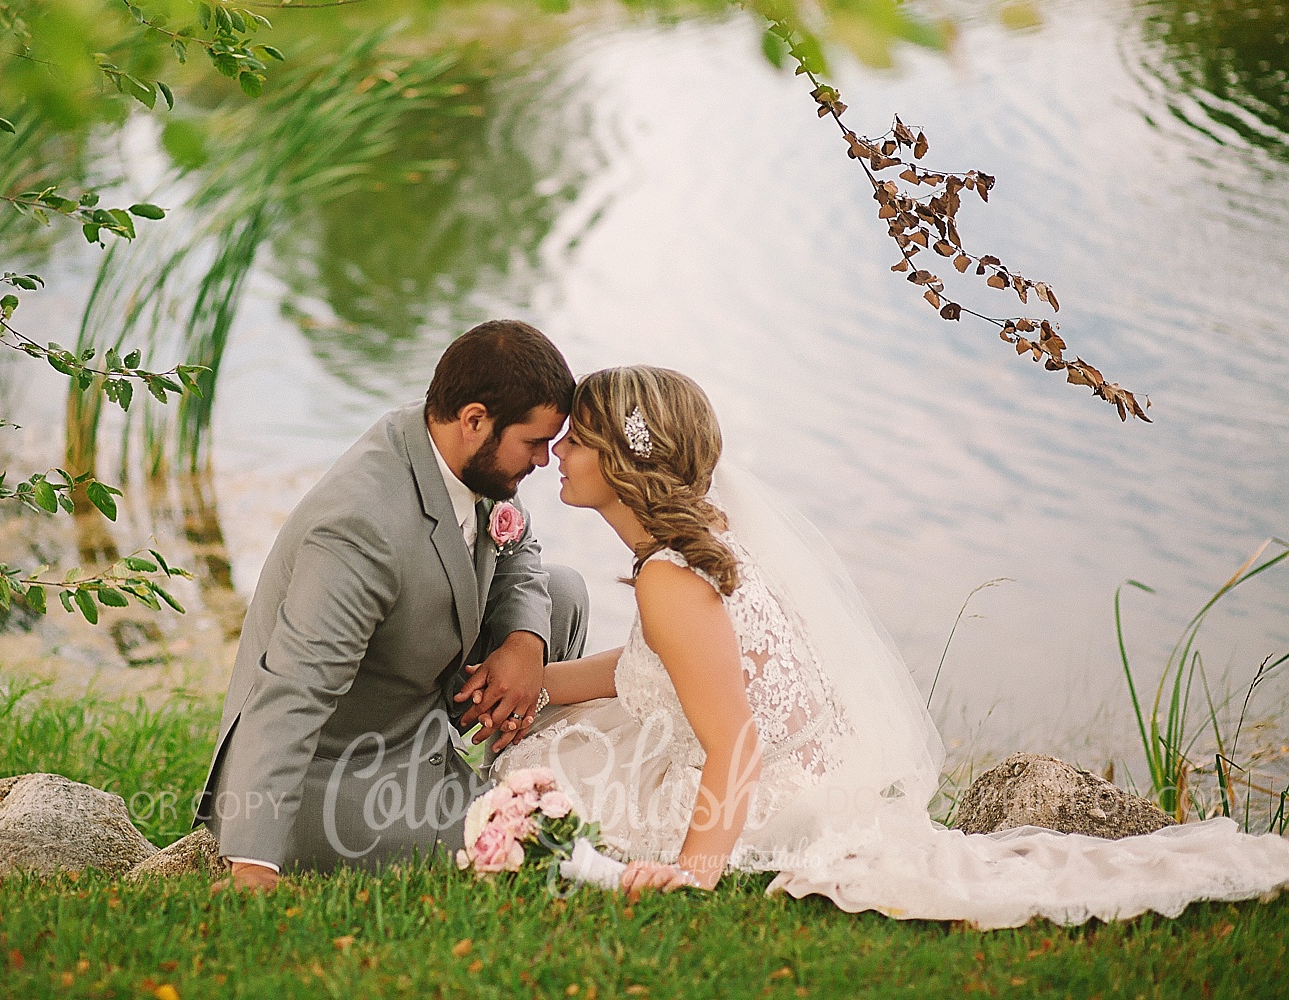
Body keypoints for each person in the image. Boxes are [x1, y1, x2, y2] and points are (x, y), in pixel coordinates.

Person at [493, 365, 1289, 928]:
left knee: (546, 775)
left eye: (578, 440)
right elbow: (667, 666)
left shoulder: (672, 579)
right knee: (558, 737)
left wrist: (694, 873)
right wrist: (539, 683)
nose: (558, 451)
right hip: (802, 768)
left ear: (627, 461)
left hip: (755, 790)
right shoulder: (699, 541)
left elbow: (731, 740)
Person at [196, 320, 590, 891]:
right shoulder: (360, 528)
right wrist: (255, 864)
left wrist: (524, 643)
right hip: (343, 771)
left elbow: (519, 546)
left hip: (424, 695)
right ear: (475, 419)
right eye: (534, 443)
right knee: (535, 838)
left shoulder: (452, 446)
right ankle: (486, 801)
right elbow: (293, 692)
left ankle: (502, 773)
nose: (545, 460)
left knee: (563, 592)